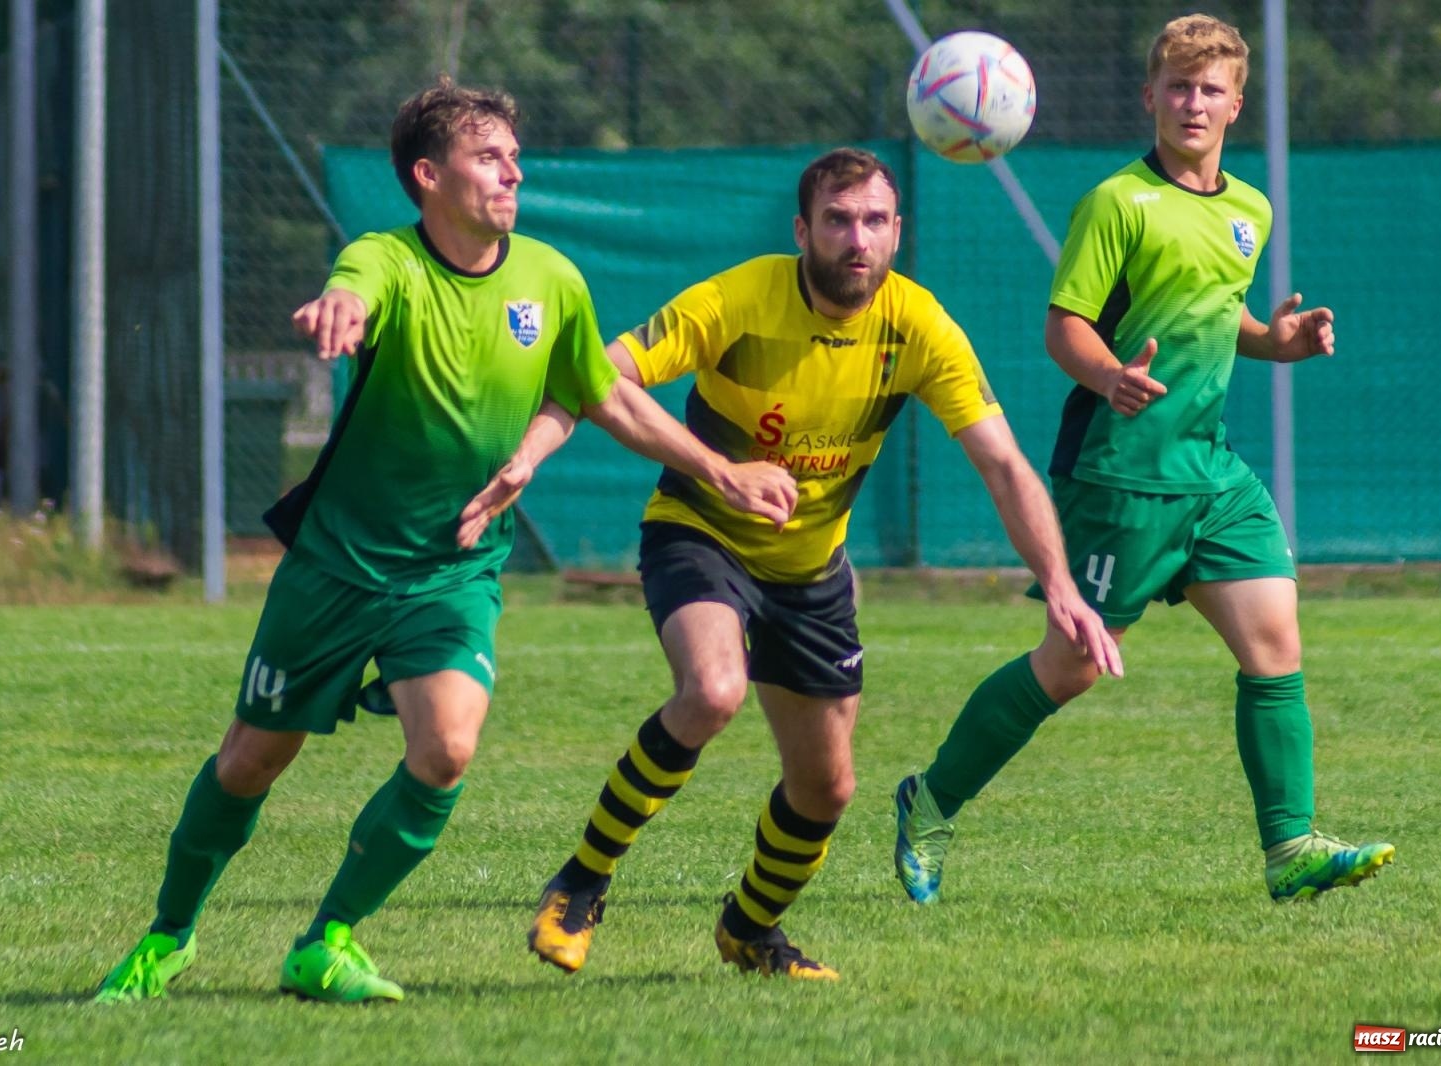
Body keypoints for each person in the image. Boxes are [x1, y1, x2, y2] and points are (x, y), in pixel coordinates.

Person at [93, 77, 796, 1005]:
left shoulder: (550, 278)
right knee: (250, 762)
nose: (513, 171)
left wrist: (720, 470)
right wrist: (340, 306)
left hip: (453, 571)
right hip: (337, 567)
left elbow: (606, 395)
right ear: (429, 176)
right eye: (489, 157)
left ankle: (327, 941)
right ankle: (168, 936)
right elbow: (357, 284)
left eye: (513, 155)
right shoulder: (386, 259)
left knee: (446, 751)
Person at [458, 147, 1120, 981]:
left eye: (875, 221)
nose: (857, 239)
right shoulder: (738, 299)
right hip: (701, 534)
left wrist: (1059, 585)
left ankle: (751, 930)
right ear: (801, 229)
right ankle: (581, 883)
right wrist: (533, 456)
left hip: (813, 573)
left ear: (897, 232)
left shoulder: (917, 326)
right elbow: (597, 377)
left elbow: (1003, 463)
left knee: (827, 789)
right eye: (838, 221)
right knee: (713, 689)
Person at [891, 13, 1394, 906]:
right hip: (1121, 474)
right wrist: (1111, 374)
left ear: (1236, 104)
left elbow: (1212, 312)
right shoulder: (1116, 202)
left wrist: (1273, 342)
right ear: (1149, 97)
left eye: (1210, 90)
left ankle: (1291, 849)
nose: (1192, 103)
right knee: (1072, 664)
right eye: (1177, 86)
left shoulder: (1250, 208)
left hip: (1211, 472)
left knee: (1274, 644)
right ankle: (930, 801)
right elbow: (1066, 327)